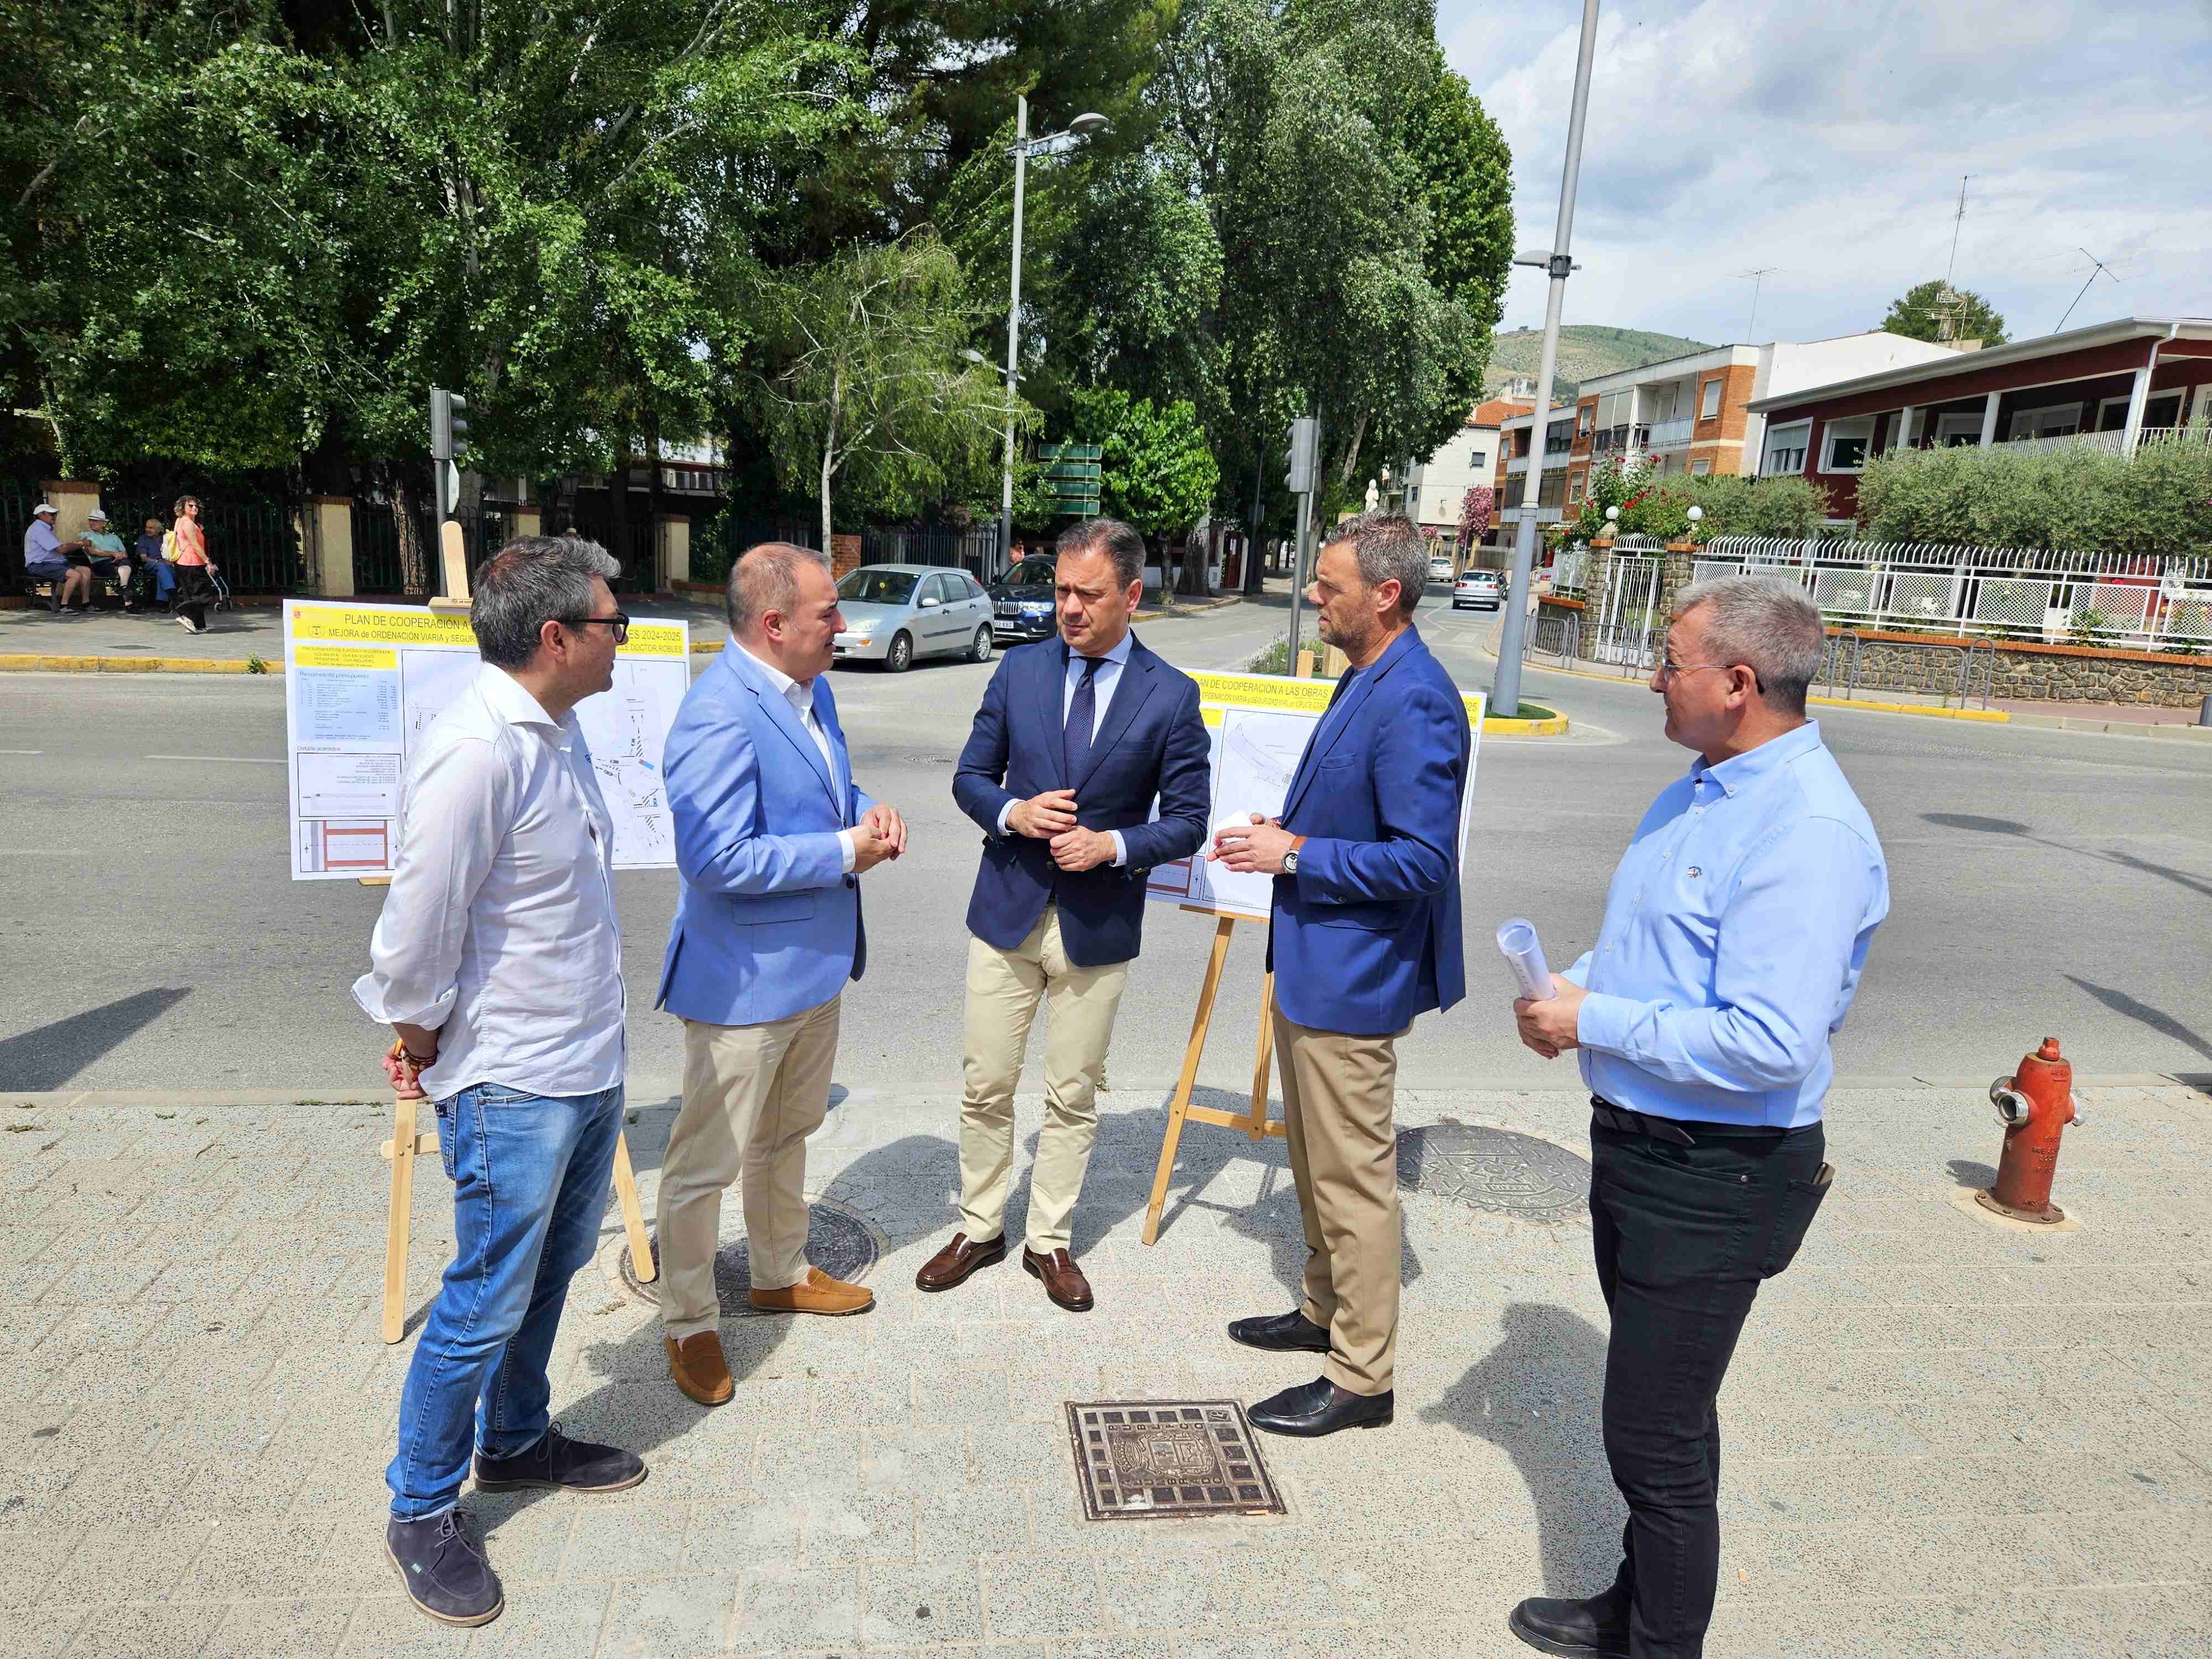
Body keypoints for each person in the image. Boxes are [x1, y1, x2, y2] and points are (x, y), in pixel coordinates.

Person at [1504, 576, 1888, 1659]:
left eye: (1668, 660)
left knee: (1653, 1442)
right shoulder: (1700, 786)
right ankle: (1634, 1607)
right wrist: (1567, 998)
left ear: (1736, 682)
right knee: (1663, 1422)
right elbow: (1644, 950)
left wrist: (1598, 1020)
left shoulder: (1805, 829)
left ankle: (1659, 1644)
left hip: (1715, 1171)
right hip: (1640, 1152)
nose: (1651, 677)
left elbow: (1770, 1042)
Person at [354, 536, 648, 1630]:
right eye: (611, 622)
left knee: (552, 1270)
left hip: (583, 1060)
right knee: (482, 1300)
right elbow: (418, 925)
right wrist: (417, 1038)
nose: (624, 637)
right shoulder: (477, 749)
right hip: (512, 1079)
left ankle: (516, 1442)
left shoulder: (554, 732)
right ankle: (421, 1506)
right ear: (556, 636)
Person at [1212, 512, 1468, 1437]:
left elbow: (1420, 862)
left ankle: (1363, 1377)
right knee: (1316, 1161)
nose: (1313, 596)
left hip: (1356, 980)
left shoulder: (1417, 697)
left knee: (1355, 1180)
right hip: (1317, 964)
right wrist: (1281, 847)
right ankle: (1322, 1308)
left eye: (1328, 585)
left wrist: (1293, 855)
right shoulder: (1367, 674)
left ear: (1386, 595)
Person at [916, 518, 1211, 1312]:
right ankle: (980, 1227)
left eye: (1088, 594)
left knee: (1072, 1094)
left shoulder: (1172, 697)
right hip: (1007, 907)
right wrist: (1014, 812)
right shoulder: (1020, 674)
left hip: (1096, 923)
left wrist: (1111, 844)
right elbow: (970, 777)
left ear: (1133, 597)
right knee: (986, 1084)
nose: (1069, 608)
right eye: (1060, 591)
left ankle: (1049, 1240)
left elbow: (1188, 821)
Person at [655, 542, 907, 1407]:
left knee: (785, 1137)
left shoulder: (814, 689)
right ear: (774, 626)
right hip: (742, 985)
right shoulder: (717, 713)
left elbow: (822, 790)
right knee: (705, 1165)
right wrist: (844, 850)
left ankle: (777, 1271)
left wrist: (862, 809)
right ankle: (688, 1322)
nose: (845, 625)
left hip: (813, 971)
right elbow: (715, 856)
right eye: (828, 614)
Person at [21, 502, 93, 611]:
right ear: (41, 515)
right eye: (51, 514)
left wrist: (77, 543)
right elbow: (61, 549)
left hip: (55, 563)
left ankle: (86, 604)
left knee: (86, 571)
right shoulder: (38, 529)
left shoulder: (46, 529)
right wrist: (81, 544)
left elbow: (59, 548)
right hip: (40, 565)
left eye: (55, 514)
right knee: (75, 575)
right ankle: (64, 606)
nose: (54, 516)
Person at [169, 495, 215, 633]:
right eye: (190, 506)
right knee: (204, 595)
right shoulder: (188, 523)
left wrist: (198, 529)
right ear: (183, 507)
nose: (195, 508)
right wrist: (208, 562)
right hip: (192, 563)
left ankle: (196, 625)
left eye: (196, 506)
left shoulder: (180, 521)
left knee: (190, 595)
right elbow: (195, 545)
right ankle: (184, 614)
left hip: (182, 563)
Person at [80, 508, 132, 611]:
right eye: (90, 520)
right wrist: (113, 554)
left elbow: (124, 554)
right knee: (125, 569)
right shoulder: (86, 535)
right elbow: (92, 551)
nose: (91, 523)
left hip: (119, 563)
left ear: (103, 523)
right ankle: (128, 601)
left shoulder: (114, 537)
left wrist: (120, 556)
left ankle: (124, 588)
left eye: (95, 520)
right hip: (100, 564)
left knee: (125, 565)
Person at [137, 515, 177, 606]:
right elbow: (144, 558)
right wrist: (158, 562)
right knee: (162, 567)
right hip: (151, 565)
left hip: (167, 566)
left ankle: (162, 602)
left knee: (162, 573)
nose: (148, 530)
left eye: (151, 528)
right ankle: (172, 592)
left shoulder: (166, 538)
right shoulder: (143, 539)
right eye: (147, 527)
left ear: (159, 530)